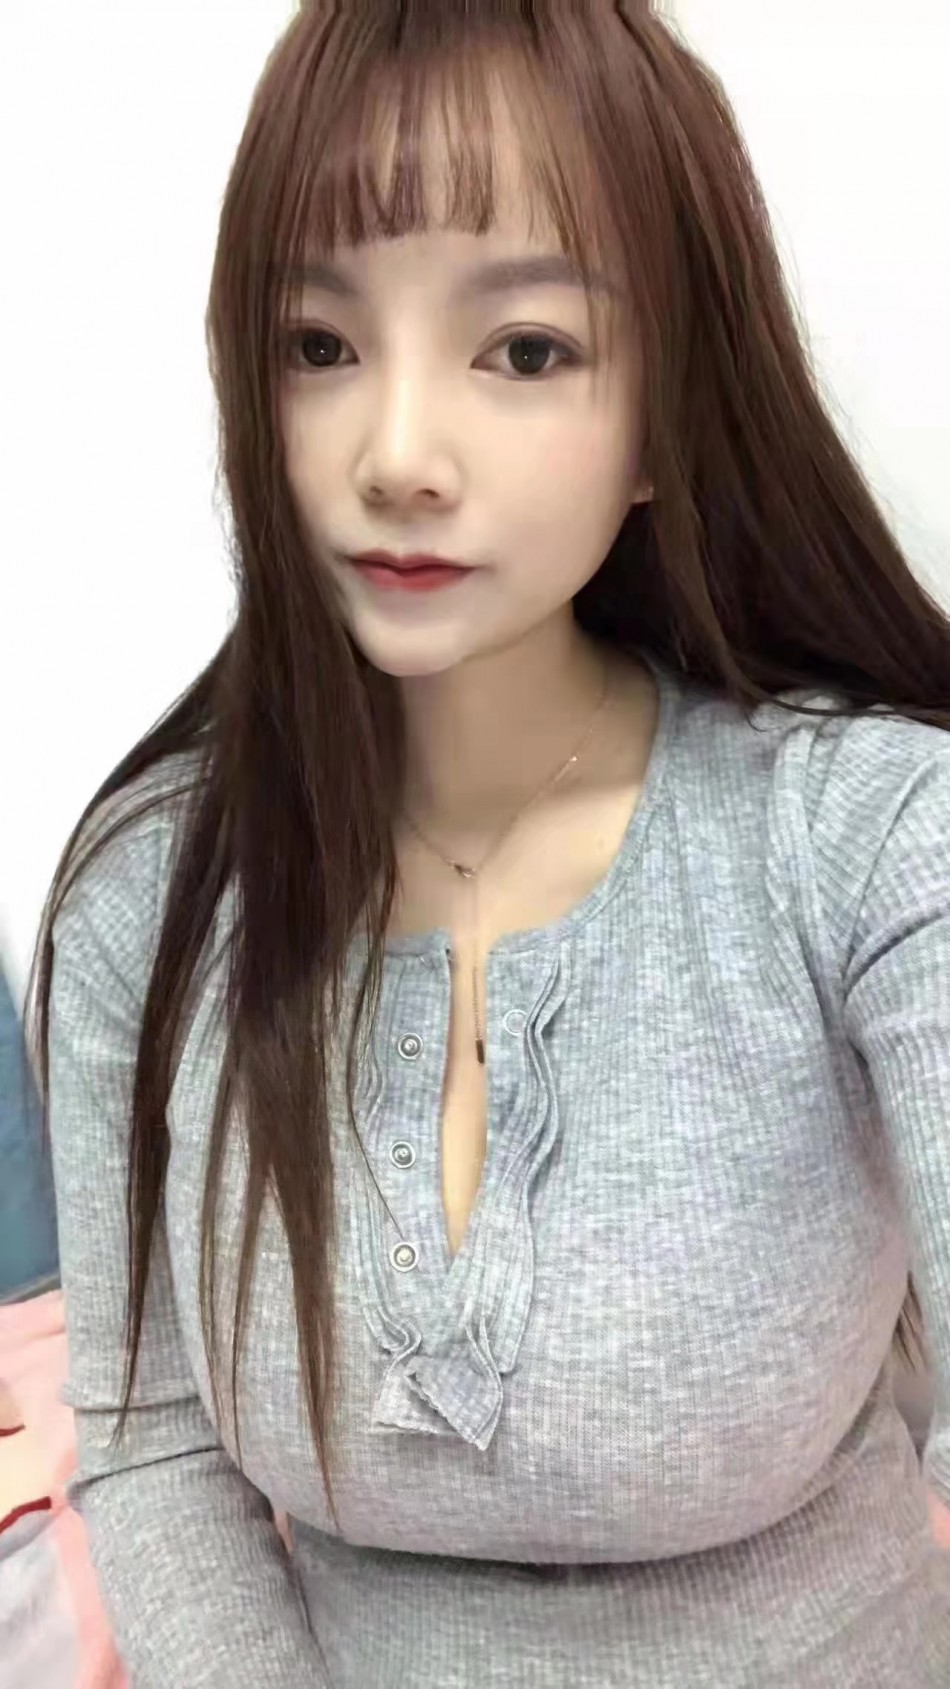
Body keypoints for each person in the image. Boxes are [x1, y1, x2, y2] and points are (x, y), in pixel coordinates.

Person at [26, 3, 950, 1684]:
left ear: (670, 406)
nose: (395, 456)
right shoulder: (146, 903)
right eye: (318, 344)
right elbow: (155, 1444)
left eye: (523, 350)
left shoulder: (872, 840)